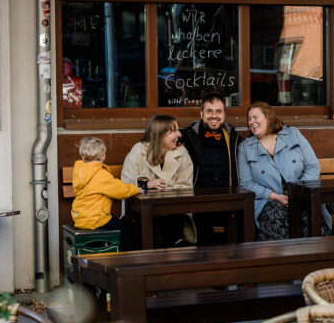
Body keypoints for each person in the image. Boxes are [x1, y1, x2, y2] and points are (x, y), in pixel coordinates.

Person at [238, 101, 320, 241]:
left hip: (301, 195)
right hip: (267, 200)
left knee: (309, 214)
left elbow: (313, 166)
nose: (251, 122)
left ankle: (309, 254)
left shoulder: (293, 134)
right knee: (276, 215)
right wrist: (274, 196)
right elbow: (246, 184)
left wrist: (298, 193)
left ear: (269, 117)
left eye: (255, 117)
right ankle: (279, 255)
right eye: (249, 119)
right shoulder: (245, 147)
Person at [121, 114, 195, 246]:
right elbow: (125, 184)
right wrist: (146, 184)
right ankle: (176, 245)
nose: (179, 134)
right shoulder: (138, 150)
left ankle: (177, 246)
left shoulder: (182, 152)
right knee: (149, 219)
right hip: (141, 212)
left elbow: (186, 187)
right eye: (174, 131)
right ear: (160, 134)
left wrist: (162, 193)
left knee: (168, 217)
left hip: (173, 211)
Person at [182, 93, 242, 244]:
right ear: (201, 114)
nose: (214, 116)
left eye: (218, 111)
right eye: (209, 111)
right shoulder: (187, 137)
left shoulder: (234, 137)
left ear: (224, 114)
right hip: (197, 200)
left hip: (229, 199)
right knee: (202, 243)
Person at [70, 137, 140, 248]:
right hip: (96, 219)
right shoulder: (100, 174)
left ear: (82, 158)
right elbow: (120, 191)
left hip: (80, 218)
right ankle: (126, 256)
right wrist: (135, 188)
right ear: (103, 156)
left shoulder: (79, 172)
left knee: (114, 220)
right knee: (127, 230)